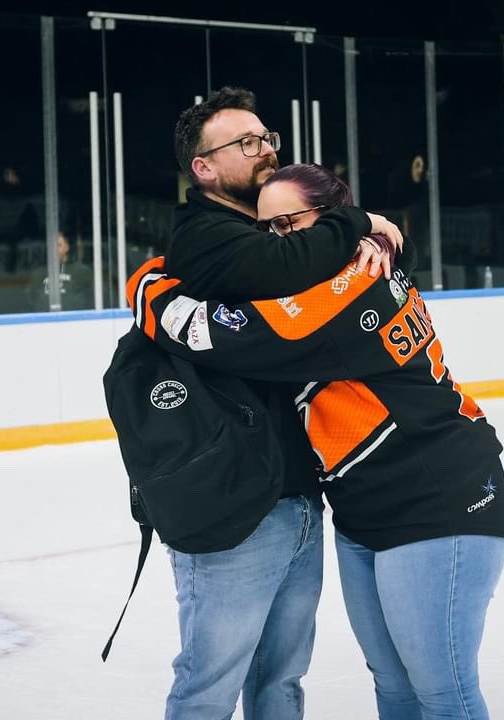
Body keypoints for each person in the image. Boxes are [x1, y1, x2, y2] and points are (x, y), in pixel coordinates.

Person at [130, 163, 504, 720]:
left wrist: (147, 281)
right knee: (393, 682)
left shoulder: (344, 289)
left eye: (290, 224)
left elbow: (214, 336)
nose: (278, 244)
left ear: (332, 219)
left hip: (441, 498)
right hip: (366, 508)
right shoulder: (344, 269)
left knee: (442, 690)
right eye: (264, 231)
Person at [157, 87, 405, 719]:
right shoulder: (203, 237)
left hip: (298, 499)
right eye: (246, 142)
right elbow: (279, 266)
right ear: (203, 167)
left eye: (268, 137)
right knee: (209, 682)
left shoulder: (271, 226)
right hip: (235, 510)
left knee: (282, 680)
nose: (265, 149)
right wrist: (357, 221)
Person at [26, 232, 93, 311]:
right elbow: (31, 300)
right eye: (51, 246)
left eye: (58, 245)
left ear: (66, 247)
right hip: (44, 321)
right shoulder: (38, 273)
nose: (54, 249)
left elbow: (92, 299)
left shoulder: (81, 271)